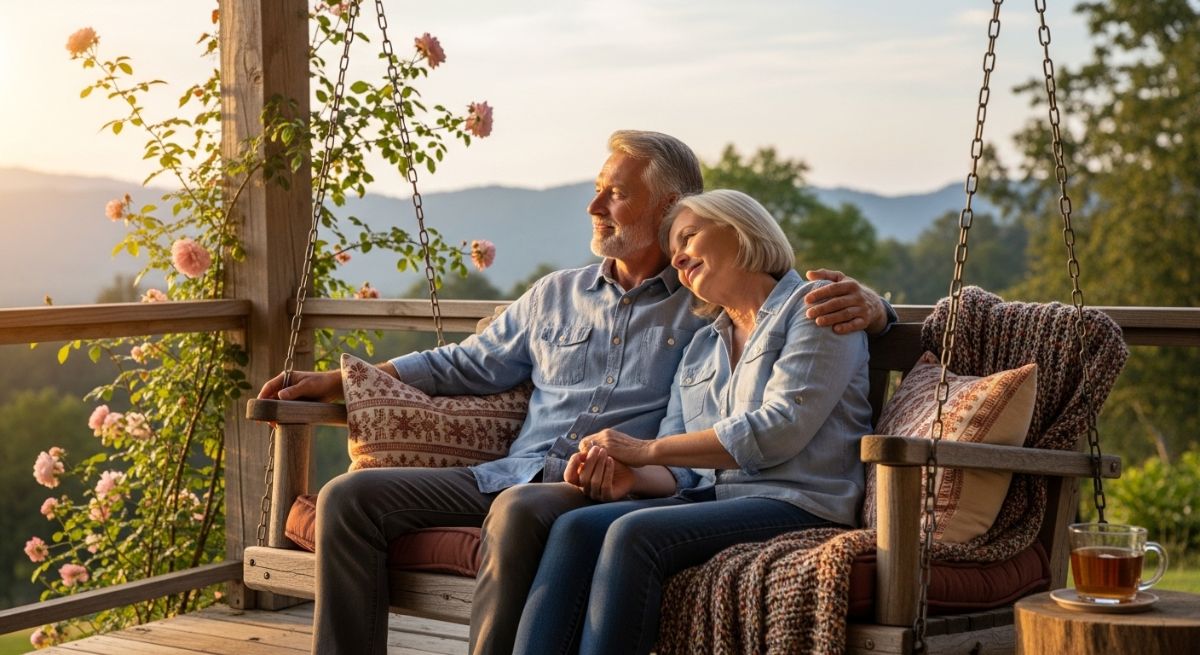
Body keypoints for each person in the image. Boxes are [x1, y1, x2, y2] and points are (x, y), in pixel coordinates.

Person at [256, 131, 891, 655]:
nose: (594, 208)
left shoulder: (706, 307)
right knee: (348, 496)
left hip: (587, 484)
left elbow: (787, 356)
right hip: (514, 471)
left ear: (671, 205)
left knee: (542, 514)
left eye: (615, 194)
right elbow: (469, 362)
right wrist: (346, 379)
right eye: (595, 193)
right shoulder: (571, 299)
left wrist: (878, 309)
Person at [488, 189, 874, 655]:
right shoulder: (701, 348)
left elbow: (779, 429)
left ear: (741, 230)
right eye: (674, 252)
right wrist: (627, 477)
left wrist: (644, 450)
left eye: (689, 237)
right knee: (576, 527)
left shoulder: (815, 308)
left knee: (633, 535)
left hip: (800, 501)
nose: (680, 257)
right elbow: (682, 465)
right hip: (715, 499)